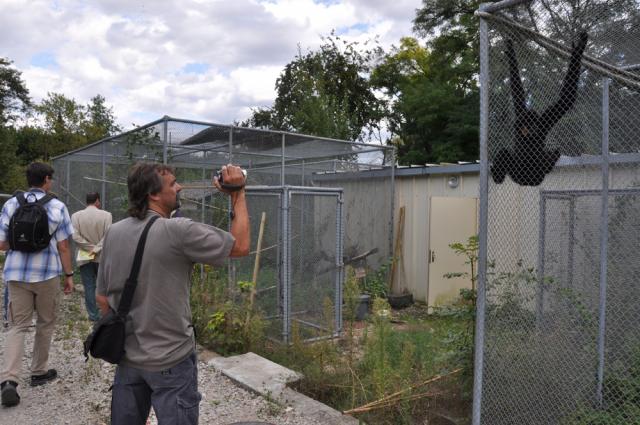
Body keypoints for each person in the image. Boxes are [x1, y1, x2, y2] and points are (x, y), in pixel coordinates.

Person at [96, 162, 249, 425]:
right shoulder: (178, 230)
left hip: (128, 358)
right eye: (173, 183)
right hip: (171, 359)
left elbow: (102, 299)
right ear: (153, 194)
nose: (179, 187)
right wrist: (238, 194)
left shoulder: (115, 232)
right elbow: (241, 246)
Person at [0, 162, 75, 408]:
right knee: (45, 323)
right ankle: (38, 372)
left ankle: (9, 381)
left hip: (16, 274)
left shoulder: (11, 204)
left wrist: (21, 243)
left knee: (17, 326)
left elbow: (2, 243)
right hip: (47, 275)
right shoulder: (57, 206)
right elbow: (64, 246)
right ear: (46, 180)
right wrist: (69, 275)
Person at [71, 192, 112, 322]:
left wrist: (89, 249)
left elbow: (75, 236)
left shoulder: (76, 216)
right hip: (102, 256)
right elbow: (108, 235)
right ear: (97, 201)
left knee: (88, 286)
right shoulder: (106, 215)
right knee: (104, 286)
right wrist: (96, 249)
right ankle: (106, 313)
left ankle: (93, 315)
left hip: (84, 256)